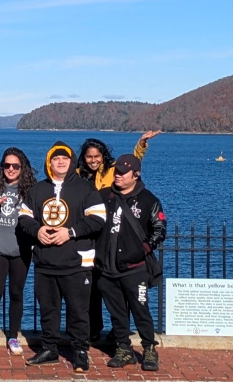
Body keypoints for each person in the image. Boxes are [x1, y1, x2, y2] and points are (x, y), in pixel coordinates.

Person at [18, 142, 106, 372]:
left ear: (72, 162)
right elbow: (24, 216)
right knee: (48, 310)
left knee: (78, 311)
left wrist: (70, 232)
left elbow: (98, 218)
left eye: (65, 159)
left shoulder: (85, 189)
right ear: (49, 162)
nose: (60, 162)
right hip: (45, 262)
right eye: (56, 159)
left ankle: (80, 351)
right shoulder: (37, 190)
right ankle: (49, 349)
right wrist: (36, 230)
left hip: (76, 263)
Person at [76, 130, 160, 343]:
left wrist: (141, 144)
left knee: (125, 291)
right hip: (90, 235)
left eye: (97, 156)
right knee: (92, 286)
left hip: (113, 233)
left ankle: (124, 333)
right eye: (89, 156)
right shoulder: (78, 175)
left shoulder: (113, 171)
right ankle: (94, 328)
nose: (93, 160)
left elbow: (133, 163)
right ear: (84, 158)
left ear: (103, 155)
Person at [96, 154, 166, 371]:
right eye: (116, 171)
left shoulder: (149, 200)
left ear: (136, 175)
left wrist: (142, 250)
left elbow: (160, 230)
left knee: (140, 310)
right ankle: (123, 349)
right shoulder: (102, 196)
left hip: (135, 269)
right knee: (116, 312)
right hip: (106, 269)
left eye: (123, 172)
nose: (117, 175)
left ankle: (149, 349)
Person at [0, 147, 36, 358]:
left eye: (15, 166)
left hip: (21, 250)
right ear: (2, 167)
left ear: (22, 168)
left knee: (16, 294)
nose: (11, 169)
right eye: (7, 165)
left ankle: (13, 335)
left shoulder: (30, 192)